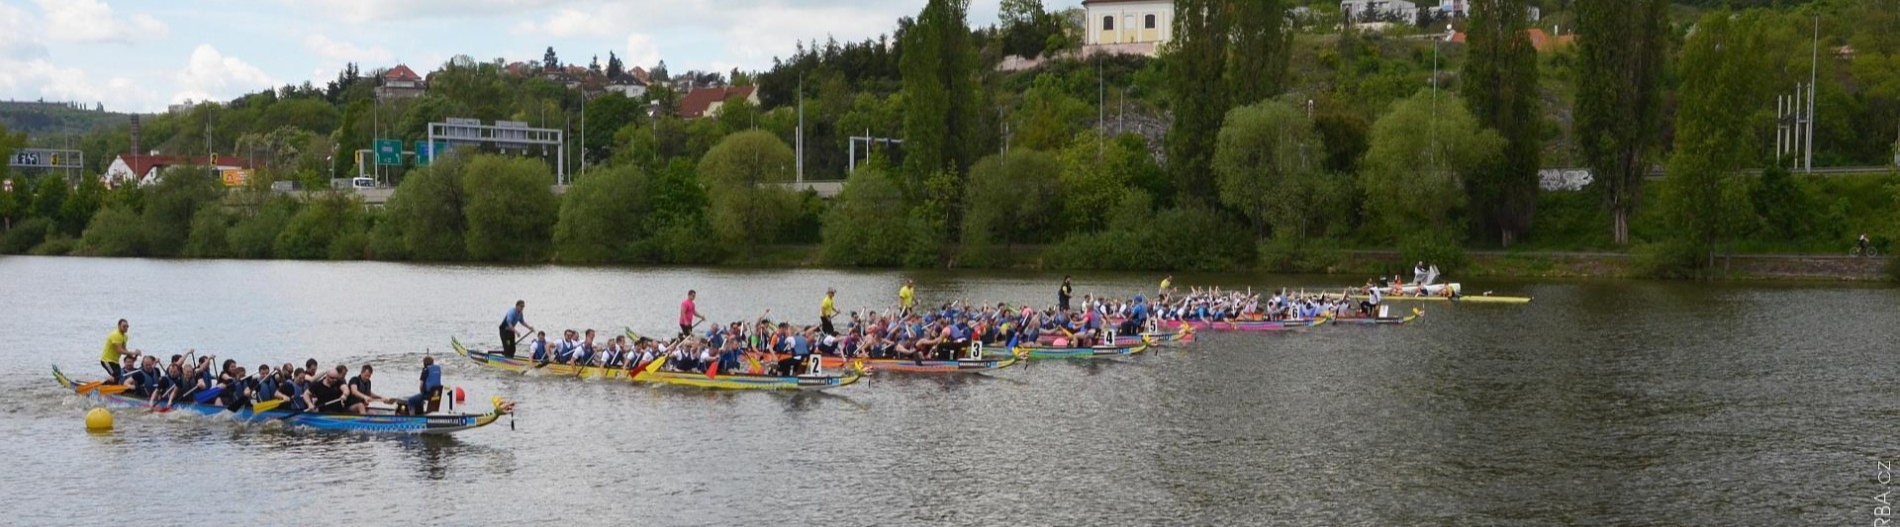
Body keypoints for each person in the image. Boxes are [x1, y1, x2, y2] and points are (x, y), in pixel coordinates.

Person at [101, 319, 140, 383]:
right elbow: (119, 350)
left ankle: (111, 389)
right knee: (115, 376)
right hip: (106, 360)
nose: (126, 328)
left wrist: (133, 357)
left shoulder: (125, 336)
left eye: (127, 326)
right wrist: (133, 352)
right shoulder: (116, 335)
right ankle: (102, 387)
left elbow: (124, 349)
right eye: (124, 326)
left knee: (119, 377)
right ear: (119, 326)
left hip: (115, 361)